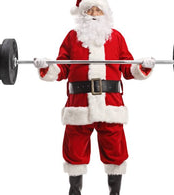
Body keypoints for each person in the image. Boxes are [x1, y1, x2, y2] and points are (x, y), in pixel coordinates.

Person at [34, 0, 155, 194]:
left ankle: (114, 193)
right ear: (81, 14)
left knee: (115, 150)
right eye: (89, 9)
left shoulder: (116, 37)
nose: (94, 13)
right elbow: (62, 69)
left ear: (105, 13)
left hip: (110, 104)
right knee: (74, 150)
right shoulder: (72, 37)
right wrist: (45, 67)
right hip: (79, 105)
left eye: (98, 9)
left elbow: (128, 68)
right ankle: (75, 192)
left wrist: (143, 65)